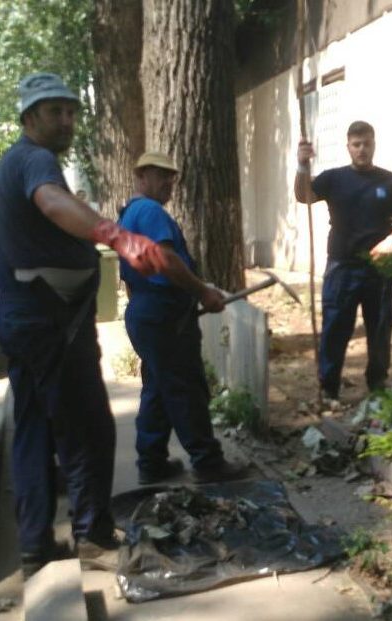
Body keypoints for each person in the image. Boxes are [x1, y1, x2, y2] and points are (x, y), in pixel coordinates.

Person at [0, 72, 168, 577]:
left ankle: (34, 545)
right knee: (87, 428)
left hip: (25, 320)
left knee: (33, 432)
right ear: (29, 118)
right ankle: (92, 536)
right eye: (54, 112)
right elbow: (51, 200)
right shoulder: (34, 160)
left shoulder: (12, 165)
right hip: (50, 323)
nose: (66, 120)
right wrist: (116, 235)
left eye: (70, 111)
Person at [118, 152, 248, 485]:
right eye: (161, 176)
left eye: (172, 177)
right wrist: (202, 292)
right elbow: (163, 258)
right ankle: (207, 462)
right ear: (142, 176)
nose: (168, 183)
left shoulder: (130, 213)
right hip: (163, 313)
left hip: (148, 311)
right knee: (185, 387)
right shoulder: (149, 211)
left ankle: (151, 461)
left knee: (159, 388)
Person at [294, 120, 392, 400]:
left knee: (380, 327)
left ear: (374, 145)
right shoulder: (334, 178)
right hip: (342, 266)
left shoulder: (390, 181)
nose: (362, 149)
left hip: (380, 268)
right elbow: (303, 195)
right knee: (335, 326)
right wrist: (301, 165)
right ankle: (329, 387)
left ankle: (377, 384)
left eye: (367, 144)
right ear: (348, 147)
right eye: (356, 144)